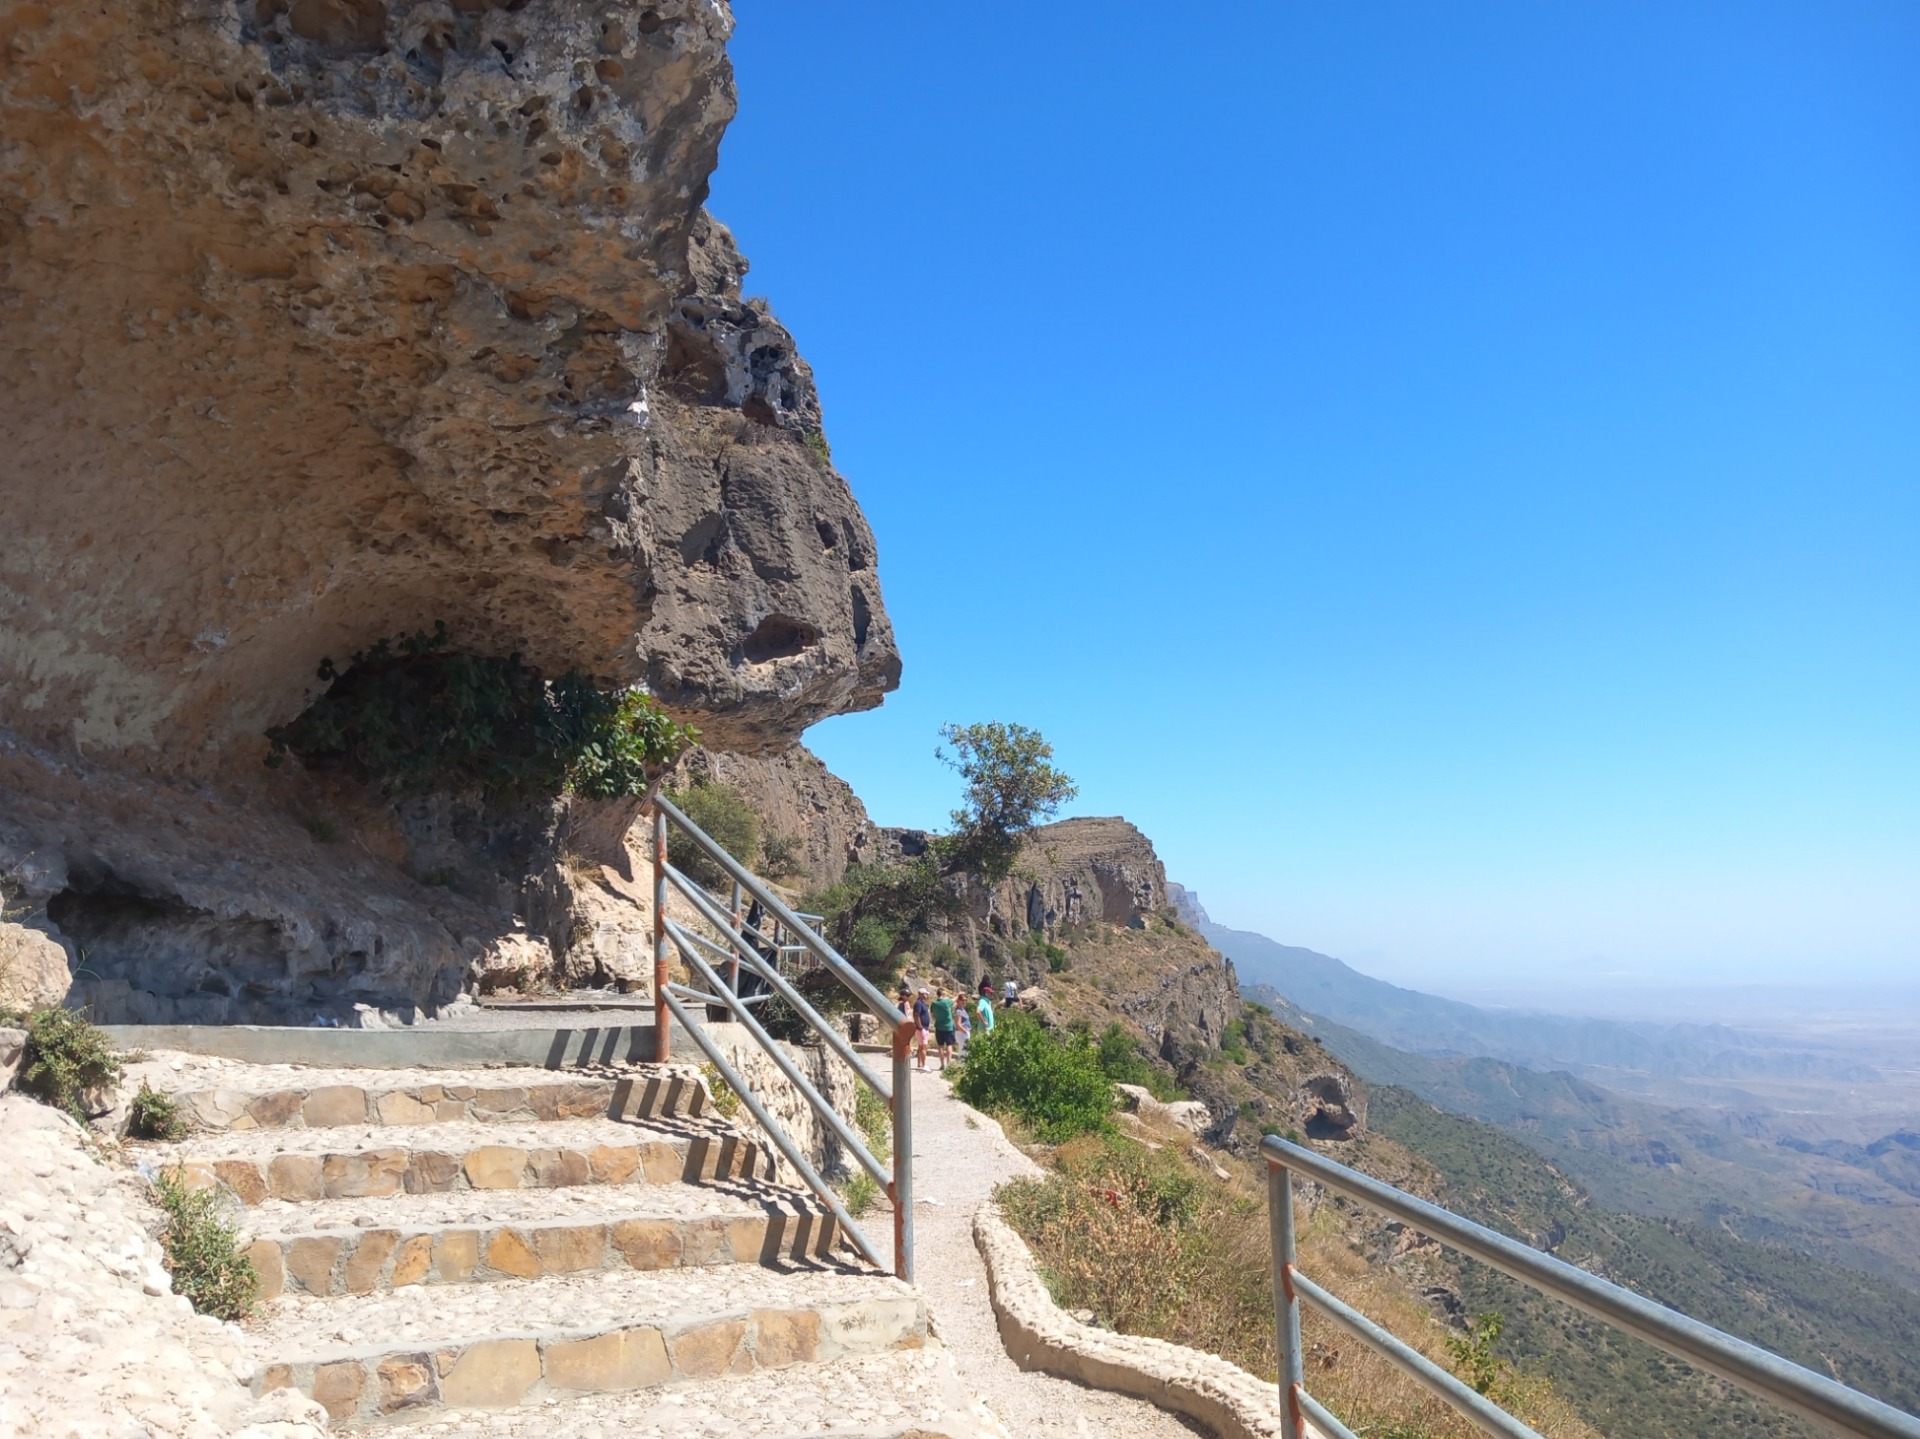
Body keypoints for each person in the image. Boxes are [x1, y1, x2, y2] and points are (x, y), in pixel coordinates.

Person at [930, 986, 957, 1070]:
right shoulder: (946, 1002)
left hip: (939, 1027)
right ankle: (948, 1064)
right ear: (942, 993)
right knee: (949, 1045)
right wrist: (959, 994)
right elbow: (954, 999)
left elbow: (933, 1016)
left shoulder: (934, 1004)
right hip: (948, 1027)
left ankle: (942, 1065)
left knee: (940, 1046)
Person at [913, 987, 933, 1071]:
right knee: (924, 1046)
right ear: (921, 994)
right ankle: (924, 1065)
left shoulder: (923, 1003)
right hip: (922, 1028)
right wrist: (920, 1027)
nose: (927, 995)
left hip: (925, 1027)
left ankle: (920, 1063)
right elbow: (917, 1015)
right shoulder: (918, 1003)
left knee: (921, 1046)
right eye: (925, 994)